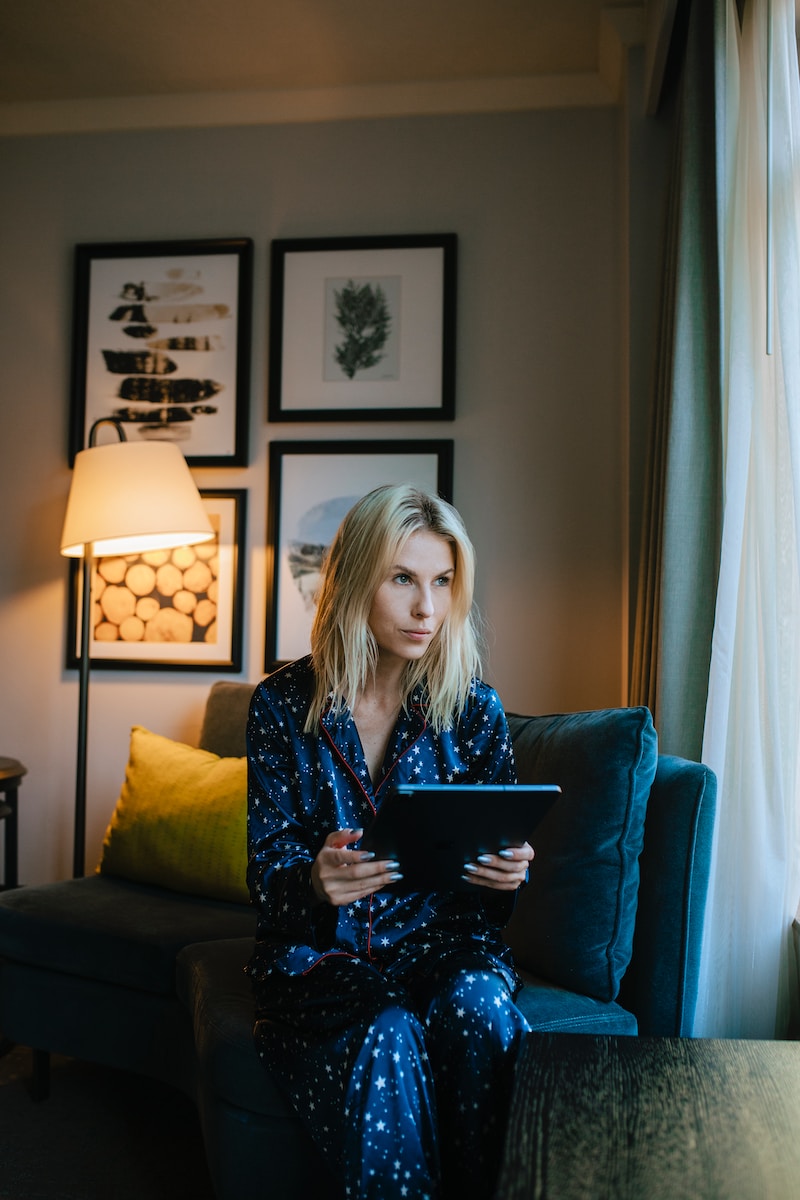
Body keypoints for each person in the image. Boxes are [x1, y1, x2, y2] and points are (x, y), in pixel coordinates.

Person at [246, 483, 533, 1200]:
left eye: (441, 583)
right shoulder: (281, 708)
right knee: (386, 1027)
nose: (426, 609)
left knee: (481, 1008)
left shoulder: (472, 711)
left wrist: (501, 880)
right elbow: (267, 876)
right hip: (320, 957)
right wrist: (314, 883)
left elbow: (481, 912)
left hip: (441, 946)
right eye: (403, 579)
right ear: (353, 582)